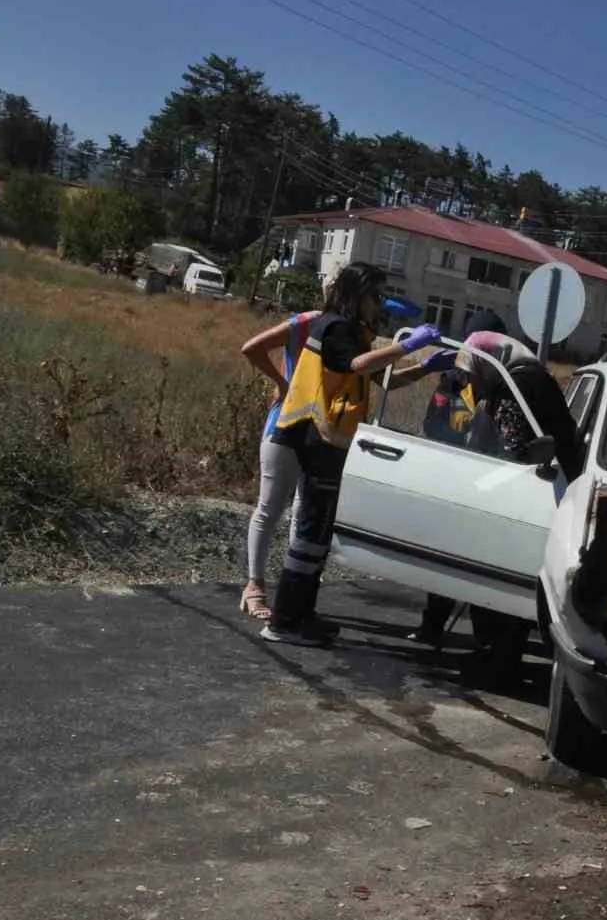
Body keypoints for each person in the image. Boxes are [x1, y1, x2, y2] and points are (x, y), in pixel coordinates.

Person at [263, 262, 452, 645]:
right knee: (310, 534)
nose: (379, 305)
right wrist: (406, 345)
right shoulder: (334, 327)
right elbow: (358, 365)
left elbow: (378, 379)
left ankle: (303, 615)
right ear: (355, 295)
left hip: (330, 440)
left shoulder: (352, 331)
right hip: (317, 437)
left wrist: (422, 367)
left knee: (319, 534)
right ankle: (283, 622)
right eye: (375, 297)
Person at [410, 312, 585, 658]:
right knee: (466, 557)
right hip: (504, 485)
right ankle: (474, 637)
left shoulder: (515, 384)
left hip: (517, 492)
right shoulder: (509, 377)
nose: (469, 376)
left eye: (474, 367)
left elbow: (516, 448)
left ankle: (495, 647)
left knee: (486, 563)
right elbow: (438, 424)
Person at [236, 306, 322, 622]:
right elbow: (252, 348)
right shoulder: (307, 323)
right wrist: (282, 382)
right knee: (270, 506)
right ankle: (254, 585)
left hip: (320, 431)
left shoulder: (350, 331)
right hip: (286, 424)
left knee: (302, 512)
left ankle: (291, 590)